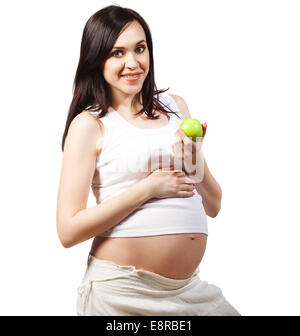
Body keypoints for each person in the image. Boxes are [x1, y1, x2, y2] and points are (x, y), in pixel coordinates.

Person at [56, 5, 241, 316]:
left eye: (139, 48)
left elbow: (214, 204)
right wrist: (147, 189)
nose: (132, 63)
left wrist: (195, 161)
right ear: (96, 59)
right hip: (122, 292)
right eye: (117, 52)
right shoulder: (90, 125)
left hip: (189, 292)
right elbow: (68, 230)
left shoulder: (176, 107)